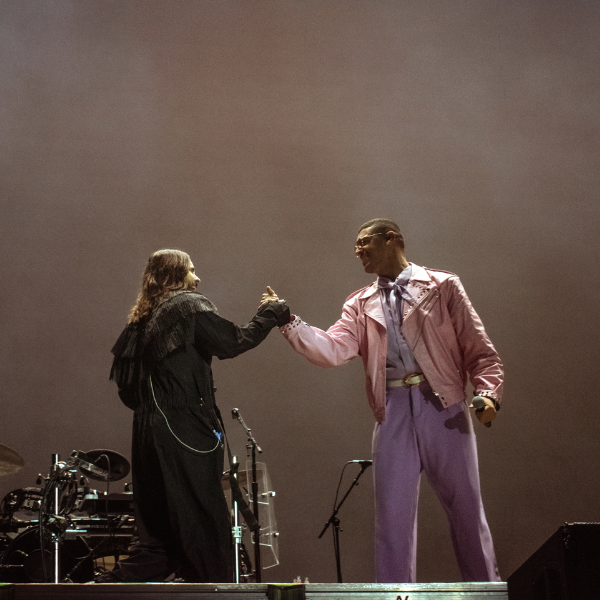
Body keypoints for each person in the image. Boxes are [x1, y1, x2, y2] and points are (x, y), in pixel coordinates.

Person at [280, 219, 503, 583]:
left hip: (443, 406)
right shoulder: (360, 302)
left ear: (391, 239)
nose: (358, 251)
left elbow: (480, 352)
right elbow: (334, 350)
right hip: (393, 410)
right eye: (355, 245)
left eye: (364, 242)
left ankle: (488, 592)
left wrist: (488, 393)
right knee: (392, 521)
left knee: (466, 511)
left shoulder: (442, 285)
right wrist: (290, 324)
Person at [101, 249, 289, 583]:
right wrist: (270, 314)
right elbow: (232, 341)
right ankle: (215, 587)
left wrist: (156, 413)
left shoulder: (142, 320)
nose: (196, 278)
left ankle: (110, 588)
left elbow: (126, 390)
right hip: (182, 426)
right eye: (190, 270)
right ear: (175, 276)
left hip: (146, 429)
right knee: (203, 515)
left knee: (157, 529)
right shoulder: (187, 307)